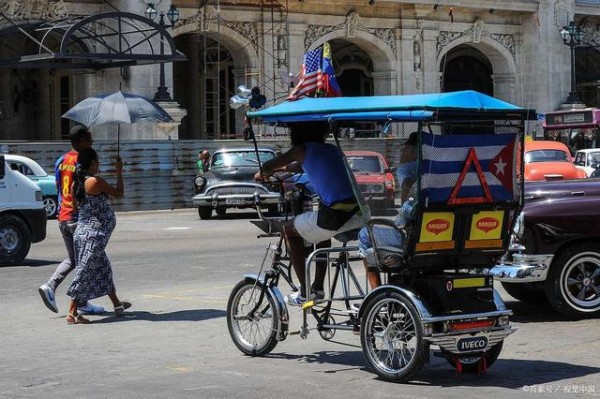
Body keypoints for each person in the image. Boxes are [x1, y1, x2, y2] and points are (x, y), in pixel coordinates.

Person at [255, 121, 364, 306]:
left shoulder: (300, 150)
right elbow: (301, 166)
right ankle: (318, 288)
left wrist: (262, 173)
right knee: (322, 234)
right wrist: (284, 169)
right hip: (359, 212)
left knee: (288, 231)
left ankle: (305, 293)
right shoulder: (331, 149)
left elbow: (267, 166)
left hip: (337, 214)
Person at [38, 125, 105, 315]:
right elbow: (84, 190)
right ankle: (53, 287)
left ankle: (80, 301)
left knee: (76, 260)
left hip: (63, 217)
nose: (92, 142)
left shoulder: (61, 161)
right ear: (82, 141)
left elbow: (60, 188)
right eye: (89, 139)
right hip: (77, 219)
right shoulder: (81, 162)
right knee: (84, 261)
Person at [65, 148, 130, 324]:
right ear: (92, 163)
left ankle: (117, 305)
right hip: (94, 235)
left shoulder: (75, 184)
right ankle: (72, 312)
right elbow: (119, 193)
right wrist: (119, 172)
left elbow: (76, 208)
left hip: (82, 233)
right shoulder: (95, 181)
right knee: (84, 271)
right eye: (97, 162)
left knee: (103, 268)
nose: (98, 165)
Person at [359, 133, 419, 289]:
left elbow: (406, 217)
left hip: (409, 239)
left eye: (406, 149)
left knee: (365, 234)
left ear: (411, 151)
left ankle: (375, 292)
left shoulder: (409, 177)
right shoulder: (439, 176)